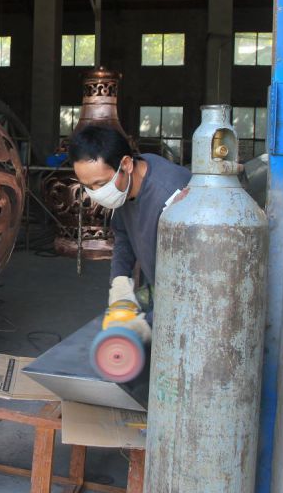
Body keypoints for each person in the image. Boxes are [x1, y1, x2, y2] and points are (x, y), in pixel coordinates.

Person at [69, 124, 192, 340]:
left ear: (125, 164)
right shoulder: (125, 186)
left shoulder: (173, 197)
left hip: (190, 300)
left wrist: (148, 325)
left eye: (101, 183)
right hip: (160, 288)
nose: (97, 194)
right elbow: (123, 235)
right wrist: (120, 282)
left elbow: (191, 281)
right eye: (88, 186)